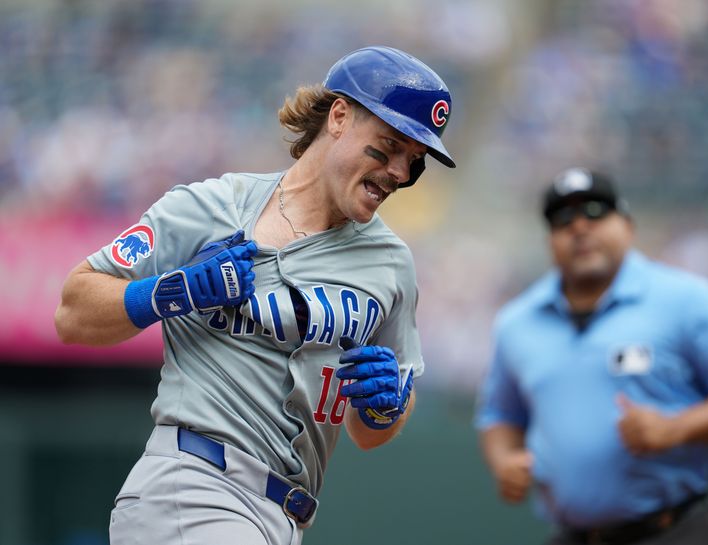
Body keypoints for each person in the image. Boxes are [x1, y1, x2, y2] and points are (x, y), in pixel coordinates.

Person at [54, 45, 455, 545]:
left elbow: (370, 432)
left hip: (284, 517)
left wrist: (385, 408)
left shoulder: (390, 265)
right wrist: (171, 293)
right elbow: (73, 311)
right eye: (388, 146)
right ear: (339, 116)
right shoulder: (210, 207)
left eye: (414, 162)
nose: (399, 172)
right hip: (192, 485)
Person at [475, 168, 708, 545]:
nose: (580, 228)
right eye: (563, 219)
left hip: (678, 531)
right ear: (550, 239)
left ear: (628, 225)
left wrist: (676, 427)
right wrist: (505, 461)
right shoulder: (518, 322)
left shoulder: (683, 299)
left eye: (595, 211)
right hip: (573, 535)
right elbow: (500, 415)